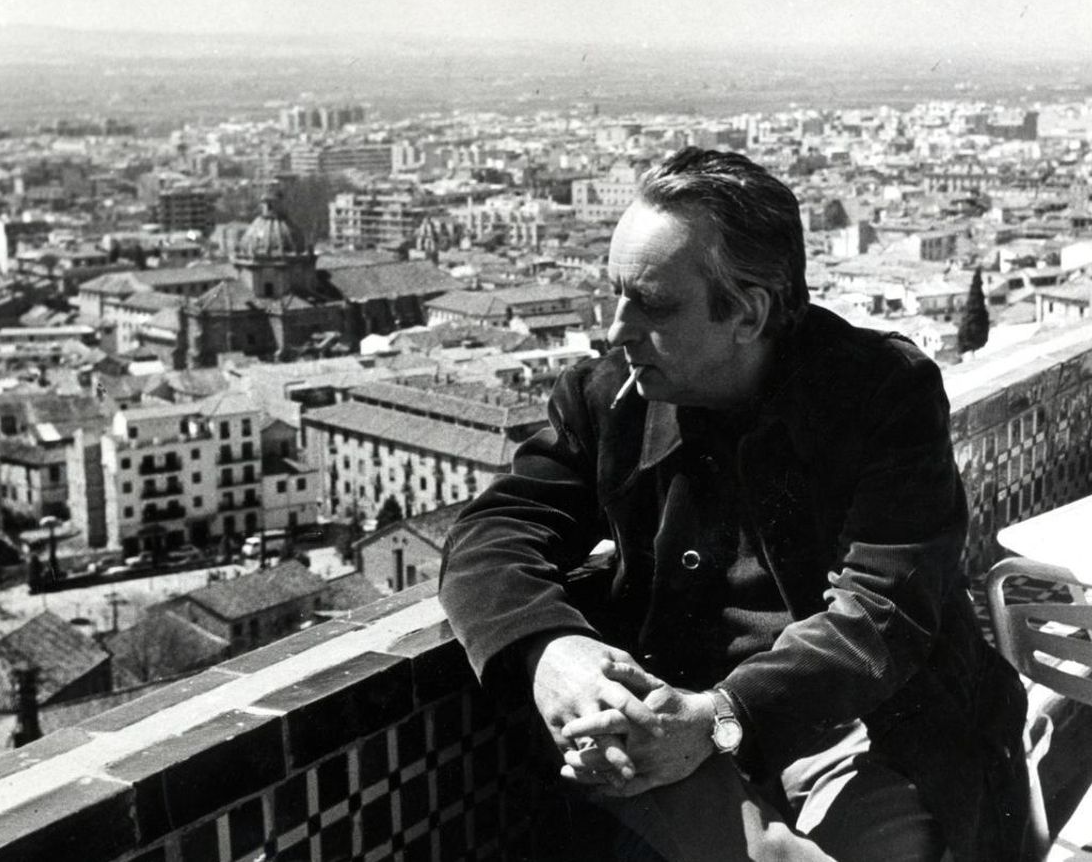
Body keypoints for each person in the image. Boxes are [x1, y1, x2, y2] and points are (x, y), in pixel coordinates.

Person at [439, 148, 1027, 862]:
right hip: (671, 732)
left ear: (746, 313)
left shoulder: (878, 394)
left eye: (652, 304)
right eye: (616, 294)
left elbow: (881, 615)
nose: (616, 329)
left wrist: (720, 716)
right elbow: (496, 530)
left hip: (857, 731)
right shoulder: (610, 397)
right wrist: (548, 650)